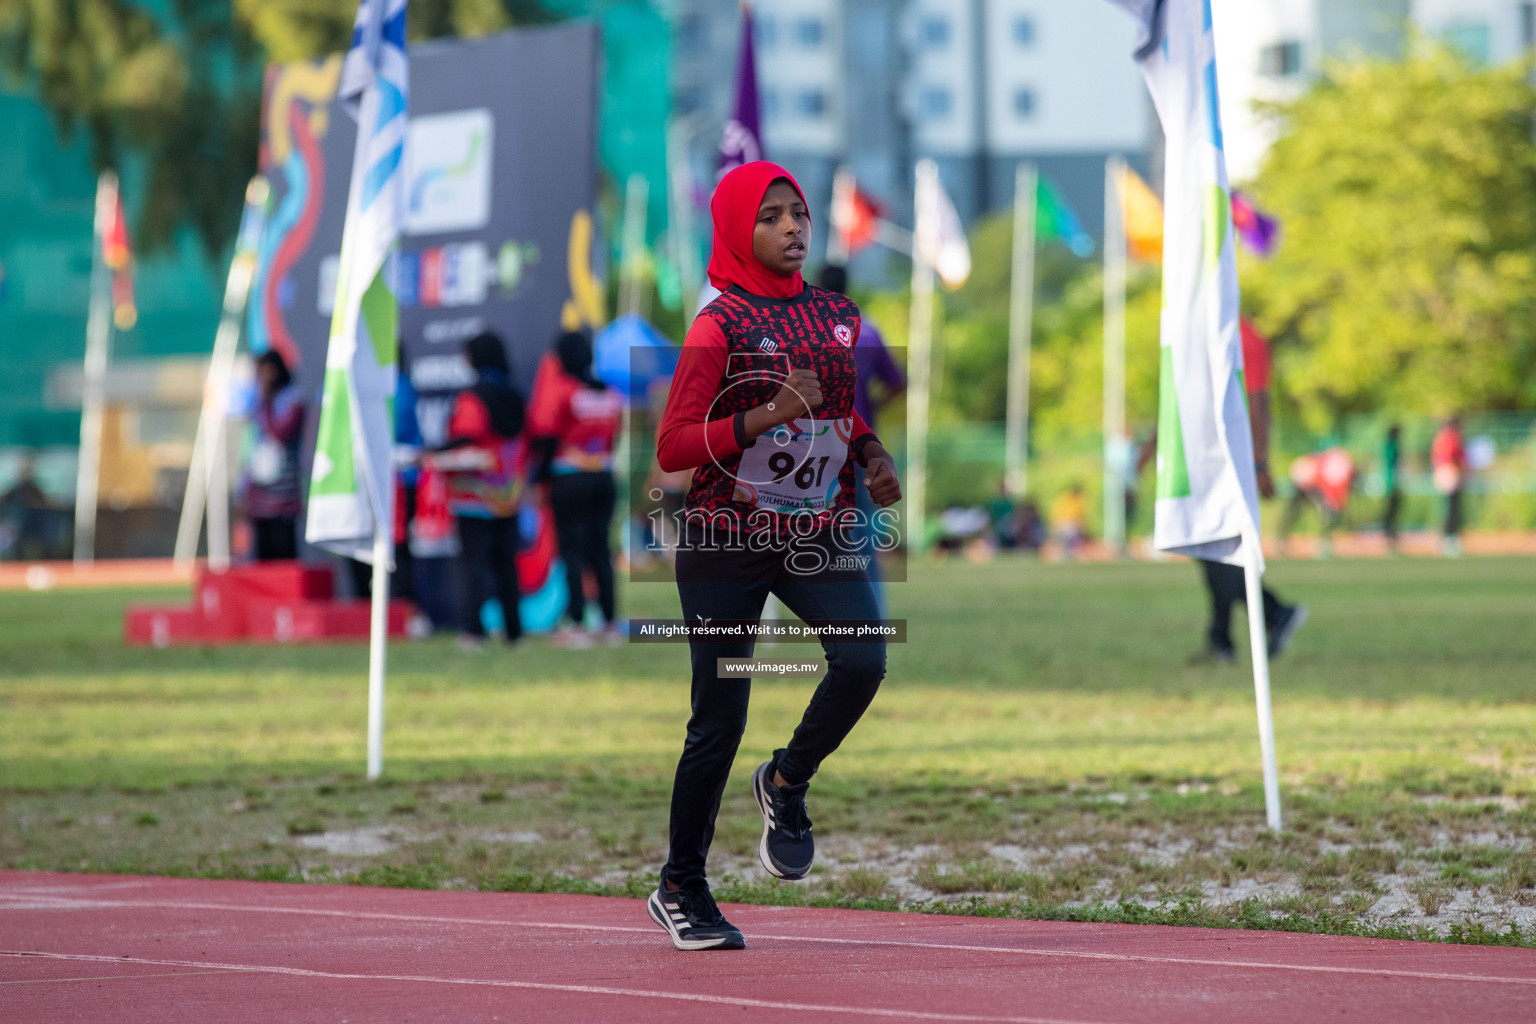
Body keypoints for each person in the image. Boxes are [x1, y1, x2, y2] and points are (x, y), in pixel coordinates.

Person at [647, 161, 900, 951]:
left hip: (811, 529)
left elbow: (841, 410)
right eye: (773, 217)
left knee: (863, 661)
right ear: (736, 231)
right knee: (719, 716)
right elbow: (674, 446)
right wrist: (761, 417)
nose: (794, 227)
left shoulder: (836, 315)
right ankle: (680, 886)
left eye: (800, 213)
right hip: (725, 536)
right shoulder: (716, 324)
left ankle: (786, 781)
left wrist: (870, 453)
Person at [1193, 319, 1306, 664]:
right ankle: (1240, 630)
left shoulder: (1243, 337)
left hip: (1230, 462)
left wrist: (1259, 462)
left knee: (1218, 552)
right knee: (1213, 552)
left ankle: (1239, 631)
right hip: (1206, 460)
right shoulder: (1201, 331)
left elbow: (1258, 403)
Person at [528, 329, 623, 647]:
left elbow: (547, 438)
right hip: (604, 478)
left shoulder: (562, 391)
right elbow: (614, 438)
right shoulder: (609, 394)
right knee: (600, 551)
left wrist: (537, 481)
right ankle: (610, 624)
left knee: (571, 552)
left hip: (569, 479)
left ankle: (578, 624)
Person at [816, 264, 904, 606]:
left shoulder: (810, 329)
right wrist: (875, 405)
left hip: (819, 447)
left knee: (813, 533)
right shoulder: (866, 330)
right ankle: (873, 611)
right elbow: (898, 381)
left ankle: (829, 610)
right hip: (863, 448)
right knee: (863, 533)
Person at [439, 331, 526, 652]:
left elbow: (465, 435)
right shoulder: (515, 396)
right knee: (506, 565)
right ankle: (514, 633)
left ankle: (473, 632)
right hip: (508, 492)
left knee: (472, 566)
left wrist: (433, 451)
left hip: (473, 494)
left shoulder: (472, 398)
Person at [244, 350, 305, 561]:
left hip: (284, 491)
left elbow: (279, 433)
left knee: (283, 549)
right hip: (261, 492)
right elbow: (253, 445)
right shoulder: (258, 403)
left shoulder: (293, 400)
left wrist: (268, 403)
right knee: (264, 553)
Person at [1431, 415, 1465, 557]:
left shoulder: (1440, 437)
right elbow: (1455, 455)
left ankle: (1447, 538)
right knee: (1451, 507)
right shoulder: (1451, 437)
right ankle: (1449, 539)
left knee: (1448, 507)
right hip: (1449, 472)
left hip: (1443, 472)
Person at [1381, 424, 1402, 552]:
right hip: (1392, 483)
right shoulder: (1392, 446)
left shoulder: (1388, 445)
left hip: (1390, 482)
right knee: (1391, 510)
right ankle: (1389, 534)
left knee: (1391, 510)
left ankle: (1390, 534)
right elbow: (1394, 465)